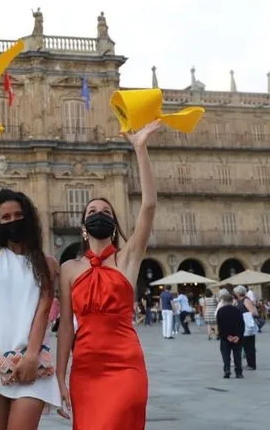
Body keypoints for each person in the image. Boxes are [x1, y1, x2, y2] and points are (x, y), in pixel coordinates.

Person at [55, 120, 160, 429]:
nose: (98, 214)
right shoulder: (69, 269)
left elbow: (149, 206)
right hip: (85, 367)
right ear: (83, 229)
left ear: (114, 224)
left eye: (105, 212)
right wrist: (60, 377)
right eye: (91, 213)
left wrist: (140, 149)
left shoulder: (127, 258)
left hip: (126, 364)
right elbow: (64, 329)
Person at [0, 116, 59, 430]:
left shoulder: (46, 263)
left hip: (31, 360)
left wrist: (32, 355)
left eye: (18, 214)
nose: (12, 219)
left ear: (28, 218)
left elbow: (44, 311)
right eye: (5, 216)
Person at [215, 289, 244, 379]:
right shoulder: (237, 310)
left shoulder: (220, 311)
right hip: (236, 337)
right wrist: (238, 336)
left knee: (225, 354)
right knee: (237, 355)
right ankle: (238, 372)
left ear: (223, 301)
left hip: (225, 337)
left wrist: (226, 336)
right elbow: (241, 324)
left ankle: (227, 370)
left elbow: (220, 326)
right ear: (232, 301)